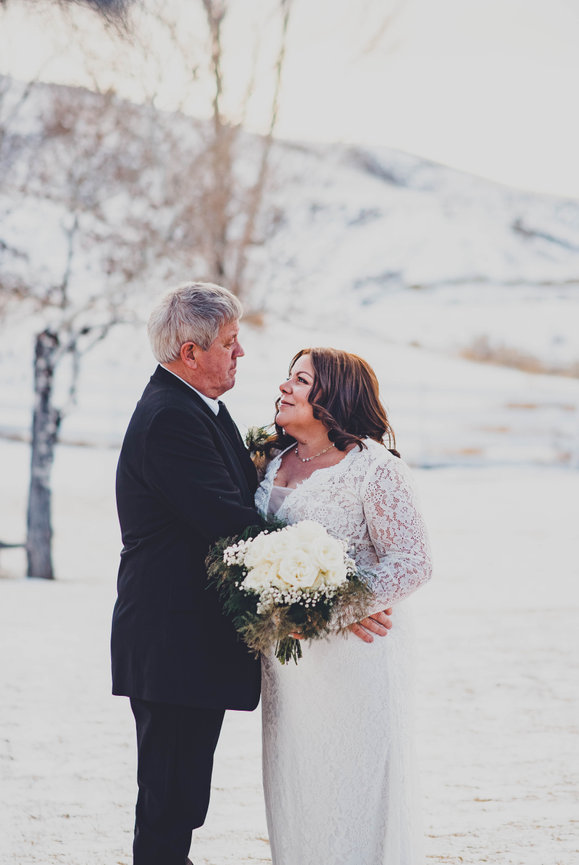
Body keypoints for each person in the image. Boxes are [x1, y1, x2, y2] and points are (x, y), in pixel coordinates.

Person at [111, 283, 392, 865]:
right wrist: (340, 594)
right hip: (172, 643)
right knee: (169, 804)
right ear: (190, 353)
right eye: (230, 343)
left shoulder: (198, 407)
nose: (241, 355)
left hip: (186, 647)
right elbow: (231, 521)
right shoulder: (170, 418)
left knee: (180, 799)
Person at [255, 347, 433, 865]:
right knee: (296, 787)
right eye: (286, 377)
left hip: (356, 657)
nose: (284, 387)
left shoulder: (374, 469)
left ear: (334, 395)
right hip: (286, 667)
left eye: (300, 380)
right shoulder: (268, 459)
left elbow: (412, 562)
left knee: (351, 791)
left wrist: (332, 611)